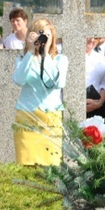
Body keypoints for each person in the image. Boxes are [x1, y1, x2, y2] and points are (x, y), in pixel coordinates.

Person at [12, 18, 68, 166]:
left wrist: (45, 55)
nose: (43, 39)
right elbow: (18, 80)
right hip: (27, 117)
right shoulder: (23, 59)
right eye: (39, 35)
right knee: (26, 166)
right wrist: (31, 52)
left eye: (46, 36)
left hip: (51, 119)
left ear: (53, 38)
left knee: (52, 166)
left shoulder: (60, 60)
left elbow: (58, 83)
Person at [85, 37, 105, 118]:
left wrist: (99, 103)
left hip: (95, 106)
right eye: (89, 36)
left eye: (96, 38)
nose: (92, 40)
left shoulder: (100, 57)